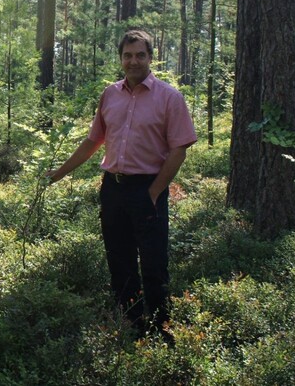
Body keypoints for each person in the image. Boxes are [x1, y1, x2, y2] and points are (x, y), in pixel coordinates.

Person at [45, 29, 197, 338]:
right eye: (128, 56)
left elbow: (179, 149)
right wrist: (60, 172)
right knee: (120, 259)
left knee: (154, 262)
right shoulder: (109, 95)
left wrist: (154, 192)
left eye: (140, 55)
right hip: (113, 188)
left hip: (147, 189)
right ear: (121, 59)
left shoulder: (169, 97)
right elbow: (94, 140)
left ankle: (160, 328)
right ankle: (132, 323)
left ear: (150, 58)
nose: (133, 61)